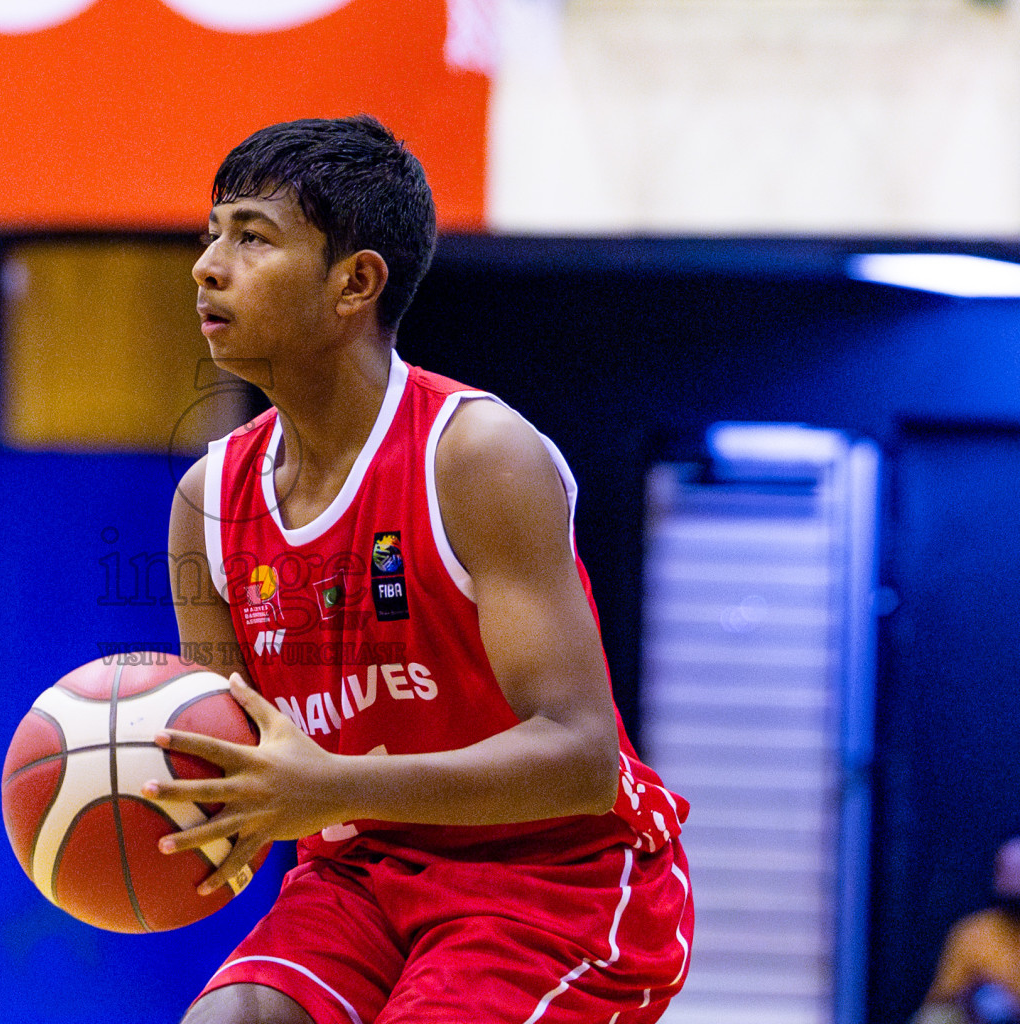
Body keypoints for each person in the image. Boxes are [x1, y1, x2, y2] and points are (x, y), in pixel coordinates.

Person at [143, 115, 693, 1024]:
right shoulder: (207, 501)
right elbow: (234, 759)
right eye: (212, 235)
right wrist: (140, 810)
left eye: (251, 237)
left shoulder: (475, 455)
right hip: (361, 875)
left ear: (355, 283)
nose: (207, 265)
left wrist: (330, 787)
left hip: (552, 881)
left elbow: (582, 759)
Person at [913, 837, 1020, 1024]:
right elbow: (943, 998)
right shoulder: (973, 932)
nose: (1012, 882)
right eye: (1007, 871)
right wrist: (972, 993)